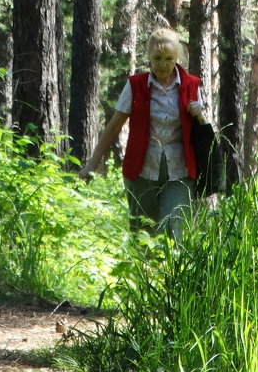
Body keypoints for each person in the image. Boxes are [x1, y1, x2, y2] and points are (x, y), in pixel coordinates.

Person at [78, 27, 207, 240]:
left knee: (174, 233)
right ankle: (144, 273)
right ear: (149, 57)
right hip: (142, 171)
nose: (163, 64)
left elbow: (202, 131)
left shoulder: (191, 85)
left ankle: (172, 273)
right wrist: (92, 163)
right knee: (143, 235)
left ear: (176, 58)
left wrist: (200, 116)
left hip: (179, 171)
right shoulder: (135, 85)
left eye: (168, 58)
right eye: (157, 58)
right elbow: (113, 126)